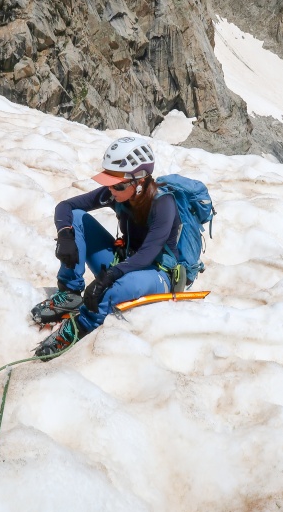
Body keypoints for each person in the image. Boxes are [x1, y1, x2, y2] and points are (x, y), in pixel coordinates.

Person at [30, 136, 181, 359]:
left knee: (114, 289)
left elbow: (148, 254)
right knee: (78, 219)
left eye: (117, 185)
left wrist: (109, 276)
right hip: (127, 262)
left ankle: (81, 327)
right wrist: (65, 234)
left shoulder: (163, 204)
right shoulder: (118, 194)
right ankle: (70, 294)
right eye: (108, 182)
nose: (111, 190)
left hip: (158, 273)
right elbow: (67, 207)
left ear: (139, 182)